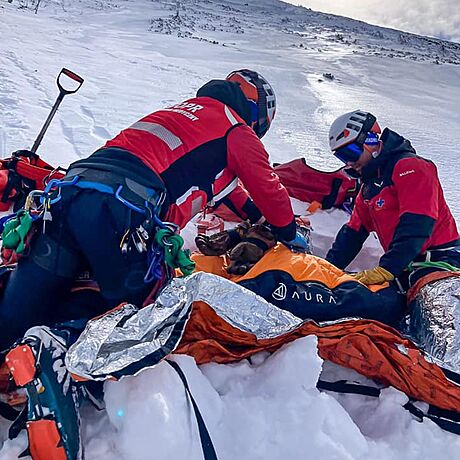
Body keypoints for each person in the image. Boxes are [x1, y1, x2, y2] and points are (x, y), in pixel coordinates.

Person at [0, 69, 309, 350]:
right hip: (123, 209)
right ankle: (55, 349)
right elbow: (267, 185)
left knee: (24, 307)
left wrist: (257, 218)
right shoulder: (236, 129)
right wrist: (289, 232)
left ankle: (14, 345)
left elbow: (232, 197)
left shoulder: (177, 114)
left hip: (67, 195)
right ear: (259, 115)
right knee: (136, 316)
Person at [325, 110, 460, 288]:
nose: (349, 163)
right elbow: (353, 233)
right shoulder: (369, 188)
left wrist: (387, 268)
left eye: (351, 152)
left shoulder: (412, 168)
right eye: (342, 157)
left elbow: (416, 224)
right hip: (404, 267)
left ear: (370, 141)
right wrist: (326, 270)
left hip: (439, 262)